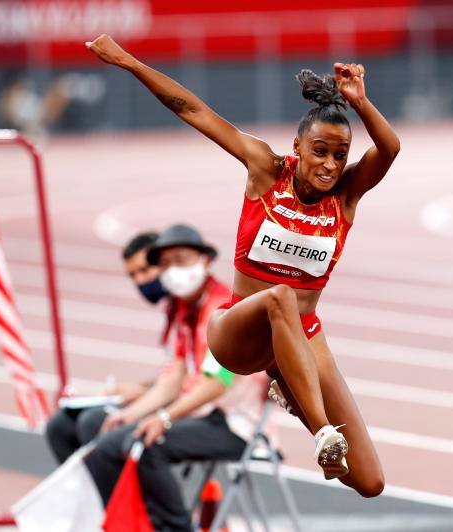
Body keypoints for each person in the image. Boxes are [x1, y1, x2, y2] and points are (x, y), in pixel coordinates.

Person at [85, 34, 400, 496]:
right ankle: (319, 431)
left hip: (302, 335)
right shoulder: (266, 169)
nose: (330, 164)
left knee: (369, 481)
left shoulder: (346, 196)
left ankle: (290, 384)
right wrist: (129, 63)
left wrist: (361, 101)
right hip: (238, 329)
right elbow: (193, 111)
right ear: (297, 146)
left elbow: (389, 149)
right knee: (280, 298)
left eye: (340, 154)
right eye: (319, 151)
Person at [83, 223, 268, 531]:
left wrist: (165, 418)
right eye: (165, 264)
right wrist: (131, 412)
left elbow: (216, 383)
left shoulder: (225, 309)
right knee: (112, 434)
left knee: (143, 445)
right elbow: (174, 378)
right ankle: (130, 523)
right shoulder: (187, 310)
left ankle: (174, 527)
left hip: (234, 424)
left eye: (181, 260)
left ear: (205, 260)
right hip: (201, 414)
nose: (172, 270)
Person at [44, 231, 168, 464]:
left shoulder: (206, 310)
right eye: (133, 275)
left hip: (194, 411)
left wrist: (141, 395)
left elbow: (203, 381)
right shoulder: (173, 313)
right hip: (164, 399)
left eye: (145, 270)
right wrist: (137, 388)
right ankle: (92, 497)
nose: (141, 281)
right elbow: (173, 375)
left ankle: (121, 497)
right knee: (59, 426)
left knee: (94, 422)